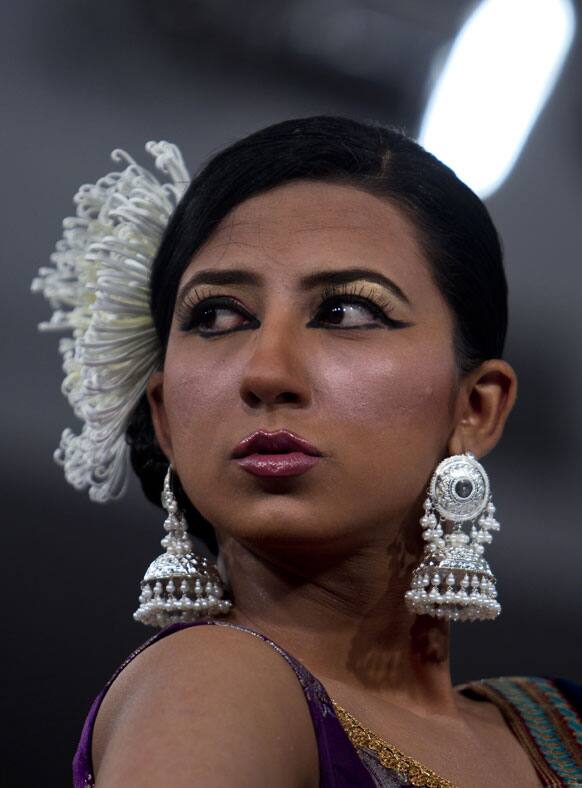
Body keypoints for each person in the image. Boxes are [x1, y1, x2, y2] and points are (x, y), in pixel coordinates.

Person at [34, 116, 581, 787]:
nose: (266, 372)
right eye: (217, 316)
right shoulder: (217, 680)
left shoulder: (559, 726)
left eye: (346, 312)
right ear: (165, 416)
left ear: (476, 407)